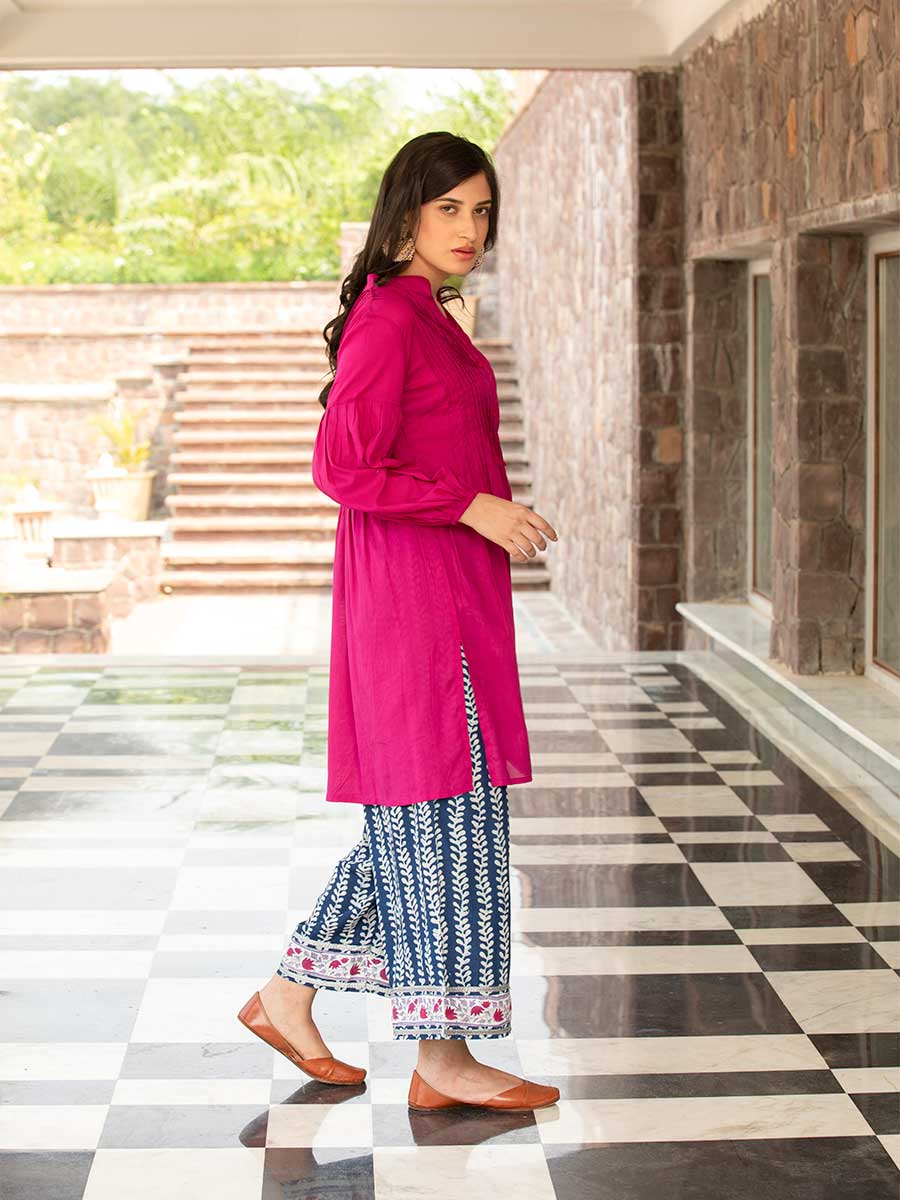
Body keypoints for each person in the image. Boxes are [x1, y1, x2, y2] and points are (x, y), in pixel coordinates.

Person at [238, 131, 560, 1113]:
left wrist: (477, 514)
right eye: (449, 208)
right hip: (417, 605)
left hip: (450, 593)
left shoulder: (427, 312)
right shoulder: (388, 318)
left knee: (432, 815)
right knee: (440, 812)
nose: (470, 228)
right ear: (406, 211)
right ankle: (442, 1059)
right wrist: (473, 506)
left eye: (482, 210)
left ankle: (290, 995)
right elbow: (342, 467)